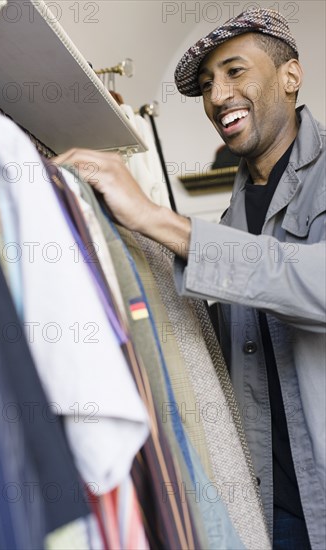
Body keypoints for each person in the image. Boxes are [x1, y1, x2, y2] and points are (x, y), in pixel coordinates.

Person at [55, 8, 325, 549]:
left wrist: (155, 217)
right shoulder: (233, 216)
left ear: (290, 77)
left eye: (234, 71)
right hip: (273, 506)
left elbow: (313, 285)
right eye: (206, 85)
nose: (218, 95)